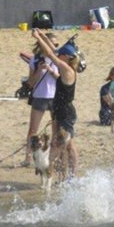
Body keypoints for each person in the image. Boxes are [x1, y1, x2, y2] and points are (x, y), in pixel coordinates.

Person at [32, 29, 78, 180]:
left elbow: (51, 54)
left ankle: (49, 168)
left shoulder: (67, 69)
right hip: (59, 110)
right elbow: (55, 51)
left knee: (61, 144)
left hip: (66, 112)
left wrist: (38, 38)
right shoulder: (65, 65)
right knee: (67, 145)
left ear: (67, 57)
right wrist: (44, 36)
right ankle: (64, 175)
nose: (59, 55)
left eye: (61, 54)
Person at [23, 32, 59, 166]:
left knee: (56, 130)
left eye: (56, 44)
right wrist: (39, 70)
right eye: (52, 43)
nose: (54, 46)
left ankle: (54, 157)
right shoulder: (35, 59)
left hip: (55, 96)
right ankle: (27, 157)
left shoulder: (58, 58)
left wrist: (51, 70)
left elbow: (62, 79)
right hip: (40, 96)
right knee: (33, 130)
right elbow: (31, 83)